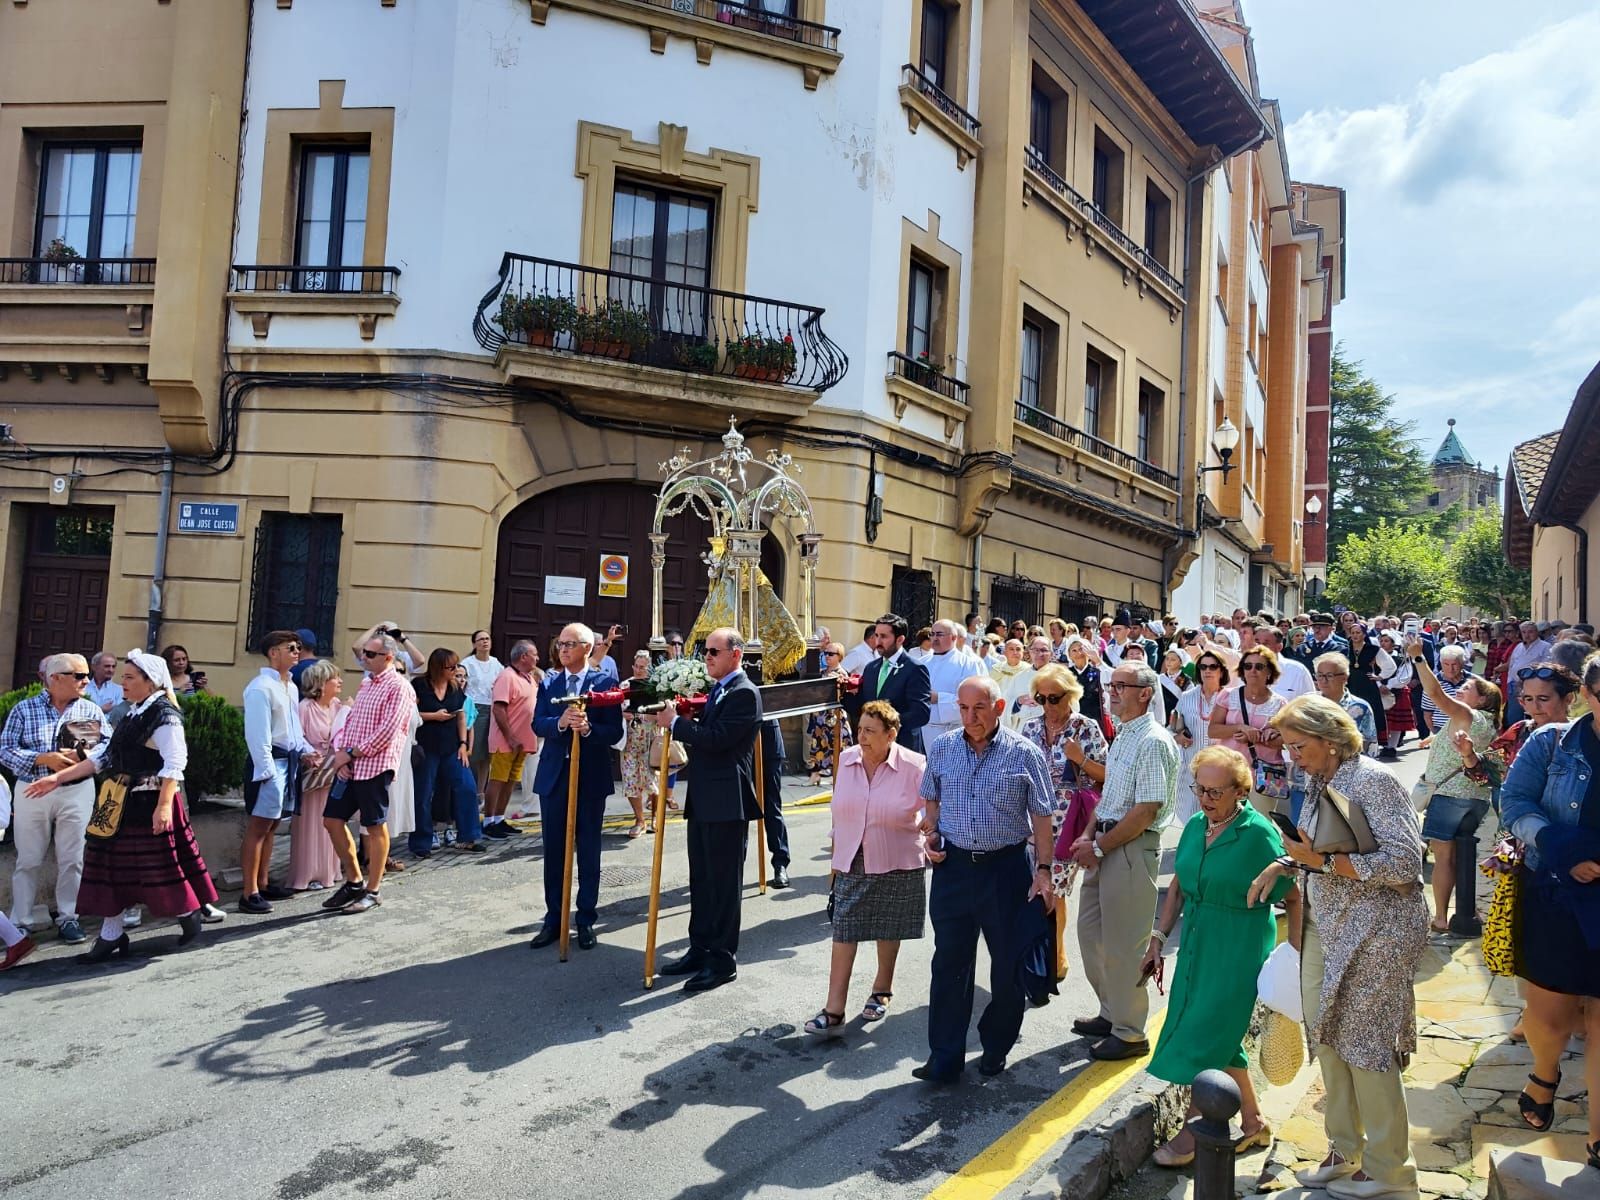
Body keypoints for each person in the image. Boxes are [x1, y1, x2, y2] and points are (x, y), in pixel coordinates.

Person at [1250, 695, 1427, 1199]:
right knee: (1326, 1035)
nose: (1293, 757)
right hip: (1333, 923)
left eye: (1299, 746)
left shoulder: (1373, 779)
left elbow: (1403, 866)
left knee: (1367, 1046)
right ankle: (1344, 1148)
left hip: (1381, 930)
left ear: (1330, 741)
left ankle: (1390, 1170)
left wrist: (1321, 865)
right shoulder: (1319, 776)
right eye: (1287, 747)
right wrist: (1287, 864)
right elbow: (1319, 848)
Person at [1145, 746, 1299, 1166]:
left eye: (1216, 791)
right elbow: (1177, 886)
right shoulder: (1195, 826)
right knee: (1223, 1038)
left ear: (1239, 790)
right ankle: (1253, 1122)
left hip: (1239, 944)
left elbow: (1297, 894)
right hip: (1197, 940)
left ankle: (1196, 1131)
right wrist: (1157, 938)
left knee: (1206, 1033)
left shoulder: (1258, 834)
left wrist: (1295, 956)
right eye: (1200, 789)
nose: (1206, 799)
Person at [27, 650, 219, 961]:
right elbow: (104, 756)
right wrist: (56, 779)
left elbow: (174, 763)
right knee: (113, 870)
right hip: (121, 803)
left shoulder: (164, 715)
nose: (123, 682)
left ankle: (190, 917)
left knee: (160, 868)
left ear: (151, 682)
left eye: (129, 677)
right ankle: (111, 934)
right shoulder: (134, 711)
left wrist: (164, 807)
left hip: (149, 802)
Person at [913, 676, 1055, 1082]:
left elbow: (1042, 818)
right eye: (963, 708)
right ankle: (944, 1056)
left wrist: (1043, 871)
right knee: (949, 964)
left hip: (1006, 871)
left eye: (979, 708)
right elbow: (931, 797)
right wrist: (933, 833)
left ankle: (995, 1045)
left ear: (998, 706)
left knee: (1007, 969)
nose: (970, 717)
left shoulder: (1025, 753)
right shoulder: (942, 748)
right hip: (953, 870)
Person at [1497, 656, 1600, 1170]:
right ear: (1590, 696)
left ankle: (1598, 1136)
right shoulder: (1551, 744)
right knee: (1551, 1014)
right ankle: (1544, 1072)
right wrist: (1563, 847)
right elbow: (1514, 803)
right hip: (1557, 891)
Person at [1067, 663, 1180, 1060]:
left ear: (1145, 693)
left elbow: (1145, 811)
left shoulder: (1152, 741)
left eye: (1120, 686)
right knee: (1091, 933)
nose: (1111, 692)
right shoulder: (1125, 736)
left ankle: (1130, 1033)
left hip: (1131, 847)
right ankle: (1112, 1012)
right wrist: (1088, 835)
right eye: (1110, 685)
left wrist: (1099, 847)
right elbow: (1111, 796)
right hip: (1108, 841)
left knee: (1125, 944)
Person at [805, 701, 927, 1035]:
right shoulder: (847, 760)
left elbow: (933, 813)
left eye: (870, 731)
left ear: (891, 734)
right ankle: (834, 1011)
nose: (861, 737)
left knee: (889, 928)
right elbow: (839, 810)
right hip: (852, 855)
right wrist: (834, 858)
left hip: (897, 857)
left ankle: (882, 989)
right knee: (844, 928)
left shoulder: (915, 765)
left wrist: (932, 837)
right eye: (859, 729)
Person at [652, 627, 762, 992]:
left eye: (714, 651)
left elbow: (719, 741)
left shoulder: (744, 692)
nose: (707, 657)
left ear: (736, 654)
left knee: (723, 885)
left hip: (727, 802)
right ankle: (699, 948)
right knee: (701, 879)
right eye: (705, 651)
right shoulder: (720, 688)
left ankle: (721, 959)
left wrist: (679, 725)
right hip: (705, 798)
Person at [0, 653, 113, 944]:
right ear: (55, 679)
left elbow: (109, 746)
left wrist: (81, 756)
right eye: (79, 676)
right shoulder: (24, 710)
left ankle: (69, 918)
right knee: (27, 859)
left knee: (73, 857)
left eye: (86, 674)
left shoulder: (91, 710)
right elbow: (6, 748)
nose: (86, 680)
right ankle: (20, 924)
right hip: (33, 788)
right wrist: (42, 758)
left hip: (77, 790)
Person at [529, 623, 625, 951]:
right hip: (555, 778)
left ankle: (585, 919)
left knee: (587, 850)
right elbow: (537, 722)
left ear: (587, 647)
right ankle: (554, 918)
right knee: (555, 850)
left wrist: (587, 729)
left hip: (590, 778)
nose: (563, 649)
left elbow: (613, 732)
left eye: (570, 644)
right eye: (561, 644)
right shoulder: (551, 682)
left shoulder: (605, 683)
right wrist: (559, 723)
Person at [1406, 635, 1502, 934]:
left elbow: (1434, 692)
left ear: (1483, 699)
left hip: (1449, 795)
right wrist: (1433, 739)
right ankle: (1467, 907)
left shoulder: (1466, 713)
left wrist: (1418, 658)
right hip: (1474, 798)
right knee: (1463, 855)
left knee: (1444, 858)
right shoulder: (1482, 720)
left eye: (1467, 688)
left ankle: (1440, 917)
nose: (1460, 689)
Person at [318, 632, 418, 914]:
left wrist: (350, 754)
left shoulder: (400, 687)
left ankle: (373, 890)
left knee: (374, 826)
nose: (364, 658)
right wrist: (344, 756)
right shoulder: (366, 684)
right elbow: (352, 723)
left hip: (375, 766)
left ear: (389, 657)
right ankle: (354, 881)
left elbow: (387, 731)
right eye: (364, 653)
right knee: (331, 820)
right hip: (351, 764)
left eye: (370, 654)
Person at [238, 630, 318, 914]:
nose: (297, 652)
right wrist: (266, 772)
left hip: (288, 761)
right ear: (274, 652)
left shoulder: (290, 686)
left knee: (272, 826)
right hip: (270, 764)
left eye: (298, 647)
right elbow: (257, 736)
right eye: (291, 648)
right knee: (259, 826)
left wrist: (306, 750)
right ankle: (249, 892)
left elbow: (292, 728)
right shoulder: (261, 687)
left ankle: (263, 881)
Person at [1019, 664, 1108, 900]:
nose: (1047, 705)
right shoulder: (1030, 728)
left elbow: (1108, 776)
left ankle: (1055, 939)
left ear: (1070, 695)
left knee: (1053, 895)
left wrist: (1081, 759)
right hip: (1032, 825)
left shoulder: (1086, 728)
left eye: (1054, 698)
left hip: (1067, 825)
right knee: (1029, 894)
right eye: (1041, 698)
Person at [1209, 646, 1289, 815]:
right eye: (1248, 666)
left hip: (1264, 775)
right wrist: (1239, 728)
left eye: (1259, 667)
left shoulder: (1280, 704)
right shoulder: (1228, 695)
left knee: (1259, 822)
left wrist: (1260, 737)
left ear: (1269, 672)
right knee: (1224, 819)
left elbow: (1286, 741)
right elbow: (1213, 730)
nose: (1253, 671)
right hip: (1228, 771)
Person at [410, 647, 474, 859]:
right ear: (438, 668)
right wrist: (433, 716)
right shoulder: (419, 685)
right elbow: (410, 714)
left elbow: (461, 717)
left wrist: (463, 744)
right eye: (451, 667)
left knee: (466, 786)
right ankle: (421, 842)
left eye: (456, 666)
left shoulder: (455, 688)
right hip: (426, 747)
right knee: (423, 793)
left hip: (451, 747)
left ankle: (468, 837)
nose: (455, 670)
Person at [291, 660, 348, 891]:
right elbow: (298, 736)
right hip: (312, 774)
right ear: (322, 684)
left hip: (332, 771)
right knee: (309, 824)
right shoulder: (305, 707)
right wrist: (308, 753)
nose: (340, 681)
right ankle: (307, 873)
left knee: (332, 821)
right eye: (335, 678)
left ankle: (328, 871)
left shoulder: (336, 705)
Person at [849, 614, 931, 752]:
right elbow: (863, 705)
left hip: (901, 747)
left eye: (884, 636)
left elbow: (921, 713)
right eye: (876, 635)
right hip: (872, 748)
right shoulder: (871, 668)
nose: (878, 641)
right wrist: (842, 691)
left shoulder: (915, 668)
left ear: (900, 639)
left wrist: (885, 725)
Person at [484, 640, 540, 839]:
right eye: (534, 654)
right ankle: (488, 821)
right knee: (498, 780)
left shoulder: (529, 677)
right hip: (506, 741)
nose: (537, 658)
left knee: (510, 782)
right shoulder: (506, 676)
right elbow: (499, 709)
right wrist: (510, 736)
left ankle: (499, 819)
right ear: (524, 656)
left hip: (522, 742)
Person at [1173, 650, 1230, 824]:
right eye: (1203, 667)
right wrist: (1179, 736)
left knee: (1219, 813)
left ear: (1222, 671)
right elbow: (1173, 729)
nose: (1208, 671)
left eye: (1213, 666)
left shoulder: (1231, 697)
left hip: (1221, 767)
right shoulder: (1186, 696)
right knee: (1190, 814)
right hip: (1191, 765)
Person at [462, 629, 503, 803]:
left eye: (487, 639)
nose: (485, 642)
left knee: (486, 753)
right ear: (474, 644)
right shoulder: (468, 663)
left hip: (492, 708)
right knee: (473, 751)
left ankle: (481, 792)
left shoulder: (496, 663)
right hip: (474, 708)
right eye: (480, 639)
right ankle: (469, 789)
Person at [805, 644, 854, 785]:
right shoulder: (821, 672)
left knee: (838, 746)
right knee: (817, 746)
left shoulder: (841, 673)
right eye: (826, 653)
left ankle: (837, 777)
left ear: (840, 656)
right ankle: (815, 774)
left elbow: (843, 695)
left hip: (834, 717)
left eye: (831, 654)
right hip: (820, 718)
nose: (827, 656)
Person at [621, 649, 656, 835]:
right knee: (631, 781)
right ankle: (640, 820)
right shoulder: (625, 684)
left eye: (643, 667)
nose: (639, 670)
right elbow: (619, 709)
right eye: (637, 666)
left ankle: (655, 817)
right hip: (630, 742)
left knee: (653, 781)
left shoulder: (656, 686)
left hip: (651, 740)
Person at [1344, 623, 1393, 753]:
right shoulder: (1344, 648)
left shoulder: (1372, 649)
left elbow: (1390, 665)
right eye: (1353, 633)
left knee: (1370, 713)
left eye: (1358, 632)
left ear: (1364, 634)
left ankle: (1370, 745)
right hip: (1350, 684)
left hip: (1367, 685)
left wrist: (1380, 676)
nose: (1355, 635)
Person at [1505, 621, 1555, 727]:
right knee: (1513, 717)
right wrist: (1509, 681)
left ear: (1536, 632)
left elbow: (1546, 666)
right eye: (1524, 632)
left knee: (1532, 716)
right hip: (1514, 685)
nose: (1527, 635)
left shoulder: (1545, 646)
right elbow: (1512, 665)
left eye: (1530, 632)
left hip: (1533, 687)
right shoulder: (1518, 647)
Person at [1376, 632, 1415, 758]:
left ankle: (1391, 747)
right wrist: (1379, 685)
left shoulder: (1400, 658)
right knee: (1381, 719)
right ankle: (1380, 744)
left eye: (1386, 641)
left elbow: (1405, 676)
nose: (1383, 643)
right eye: (1381, 641)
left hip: (1396, 691)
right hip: (1378, 691)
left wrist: (1389, 686)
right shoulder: (1375, 657)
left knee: (1396, 721)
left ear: (1393, 643)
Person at [989, 638, 1036, 732]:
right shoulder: (996, 669)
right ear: (1005, 652)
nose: (1015, 652)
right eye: (1011, 649)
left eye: (1018, 649)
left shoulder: (1029, 670)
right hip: (998, 713)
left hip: (1021, 715)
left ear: (1023, 652)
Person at [1259, 627, 1314, 701]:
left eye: (1266, 643)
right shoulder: (1245, 670)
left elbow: (1310, 703)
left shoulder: (1298, 671)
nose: (1259, 647)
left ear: (1279, 647)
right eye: (1257, 642)